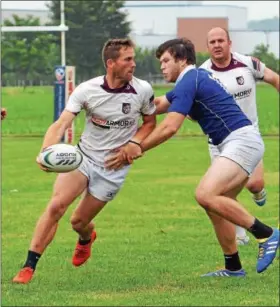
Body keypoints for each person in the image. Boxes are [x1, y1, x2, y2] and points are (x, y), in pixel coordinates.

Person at [105, 38, 279, 277]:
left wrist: (137, 147)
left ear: (182, 59)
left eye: (166, 60)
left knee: (205, 194)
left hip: (241, 142)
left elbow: (169, 128)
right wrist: (121, 103)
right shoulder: (189, 81)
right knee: (215, 205)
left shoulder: (190, 78)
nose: (162, 67)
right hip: (239, 142)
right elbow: (157, 104)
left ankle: (266, 234)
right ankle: (233, 267)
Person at [12, 38, 156, 284]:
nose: (134, 63)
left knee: (78, 221)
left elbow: (151, 123)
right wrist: (45, 151)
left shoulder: (142, 90)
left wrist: (135, 143)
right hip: (83, 157)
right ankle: (28, 266)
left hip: (114, 167)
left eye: (133, 58)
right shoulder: (87, 90)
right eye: (128, 59)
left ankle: (86, 237)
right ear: (111, 63)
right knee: (57, 206)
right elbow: (62, 123)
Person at [200, 27, 280, 245]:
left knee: (254, 184)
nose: (217, 45)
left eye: (220, 40)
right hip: (219, 142)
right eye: (212, 42)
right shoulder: (203, 73)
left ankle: (257, 193)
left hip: (247, 136)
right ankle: (240, 232)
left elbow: (274, 78)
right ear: (207, 47)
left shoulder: (248, 63)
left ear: (229, 43)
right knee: (222, 191)